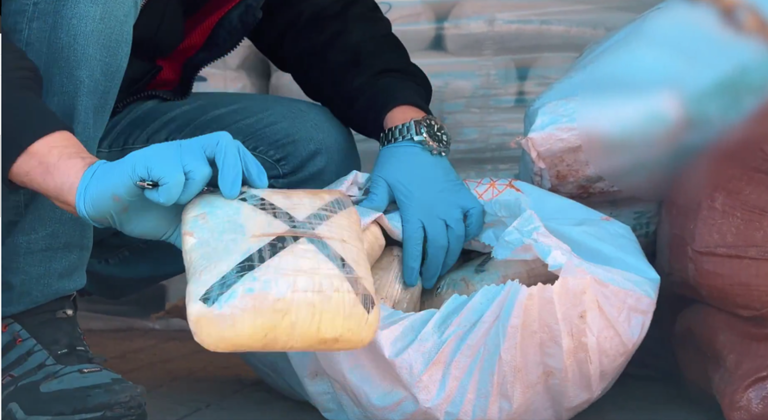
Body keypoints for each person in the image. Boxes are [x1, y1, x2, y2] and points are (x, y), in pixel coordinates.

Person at [1, 0, 484, 418]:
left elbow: (329, 18)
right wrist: (79, 177)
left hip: (78, 139)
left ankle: (49, 263)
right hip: (18, 125)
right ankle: (26, 319)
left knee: (305, 151)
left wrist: (410, 130)